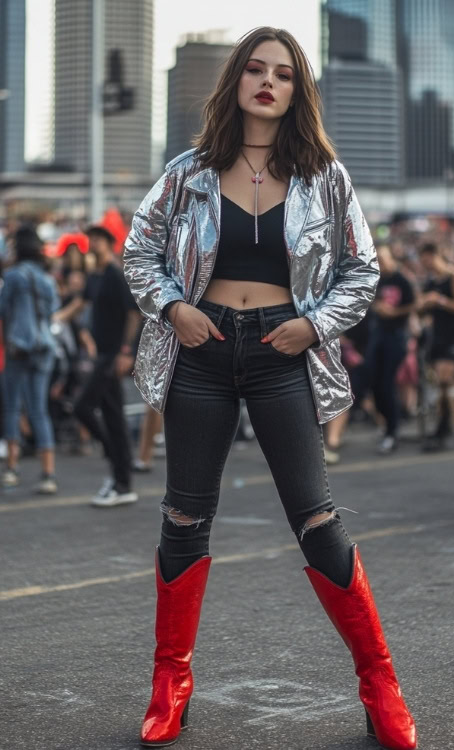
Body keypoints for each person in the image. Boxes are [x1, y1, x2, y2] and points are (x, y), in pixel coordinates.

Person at [124, 27, 416, 750]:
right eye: (255, 69)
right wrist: (174, 306)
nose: (268, 82)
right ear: (237, 81)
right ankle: (171, 684)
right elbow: (139, 250)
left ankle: (381, 684)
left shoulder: (326, 175)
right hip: (203, 347)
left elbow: (363, 271)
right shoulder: (189, 171)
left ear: (297, 89)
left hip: (284, 350)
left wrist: (315, 325)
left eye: (283, 74)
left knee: (317, 521)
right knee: (185, 519)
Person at [57, 226, 142, 505]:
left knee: (82, 406)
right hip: (101, 354)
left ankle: (116, 461)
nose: (92, 243)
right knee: (114, 417)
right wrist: (52, 320)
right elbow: (79, 304)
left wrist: (126, 351)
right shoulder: (95, 276)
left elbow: (133, 314)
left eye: (98, 239)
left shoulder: (116, 275)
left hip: (112, 355)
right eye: (90, 239)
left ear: (108, 243)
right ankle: (121, 480)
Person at [0, 226, 59, 494]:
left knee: (12, 407)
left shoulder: (12, 276)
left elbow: (3, 311)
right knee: (39, 409)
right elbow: (52, 313)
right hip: (44, 347)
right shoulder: (47, 279)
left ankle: (12, 469)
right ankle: (48, 474)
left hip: (19, 348)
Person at [418, 242, 454, 451]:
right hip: (436, 338)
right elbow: (420, 309)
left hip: (453, 337)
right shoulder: (430, 281)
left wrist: (439, 300)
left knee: (445, 381)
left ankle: (445, 427)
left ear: (433, 255)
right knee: (441, 386)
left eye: (425, 259)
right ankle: (445, 425)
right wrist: (424, 304)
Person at [365, 244, 416, 454]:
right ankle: (386, 423)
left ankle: (392, 431)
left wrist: (394, 313)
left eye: (384, 258)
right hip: (379, 335)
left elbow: (414, 305)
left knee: (387, 384)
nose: (382, 262)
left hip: (396, 336)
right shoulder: (378, 279)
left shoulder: (402, 280)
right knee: (374, 383)